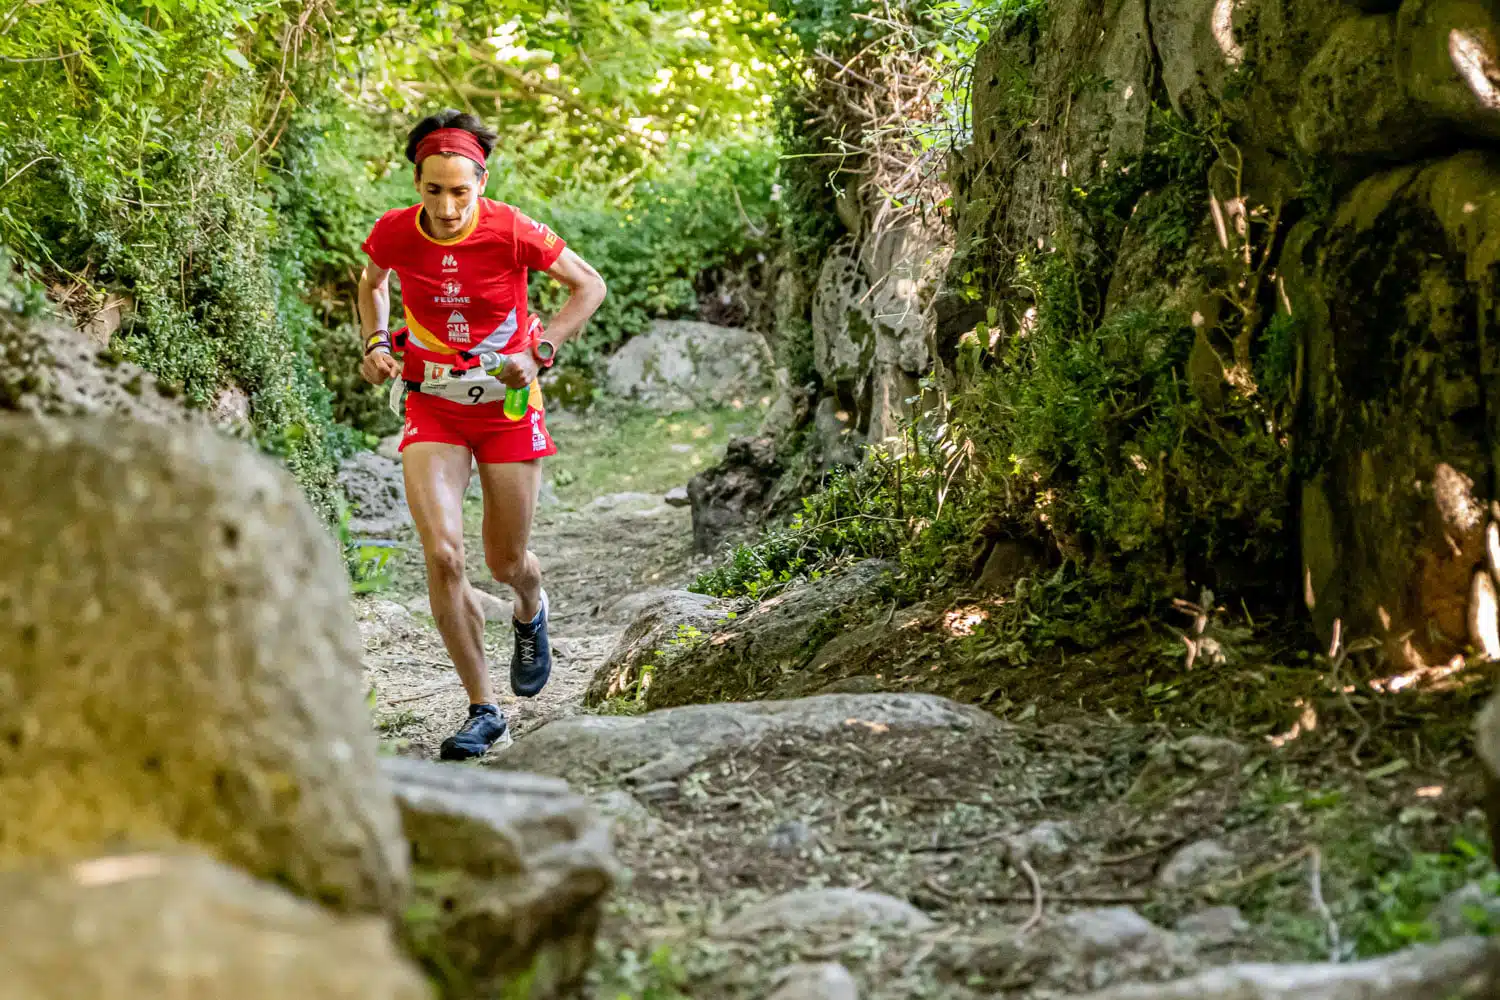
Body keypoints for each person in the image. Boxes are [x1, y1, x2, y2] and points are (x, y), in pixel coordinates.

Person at [357, 109, 607, 760]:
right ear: (417, 184)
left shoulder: (513, 229)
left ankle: (530, 607)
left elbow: (588, 286)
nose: (445, 206)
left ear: (481, 182)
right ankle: (483, 708)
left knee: (504, 562)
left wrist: (542, 348)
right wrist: (376, 341)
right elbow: (371, 283)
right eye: (433, 190)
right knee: (443, 556)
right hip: (433, 405)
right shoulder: (394, 233)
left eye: (459, 191)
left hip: (507, 405)